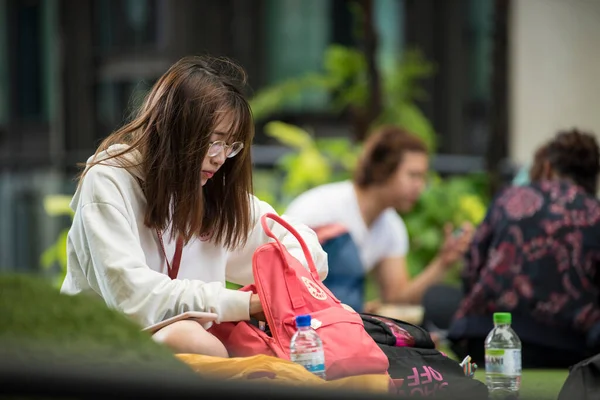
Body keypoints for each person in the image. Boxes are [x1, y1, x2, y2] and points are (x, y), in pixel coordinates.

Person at [60, 55, 328, 357]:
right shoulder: (109, 181)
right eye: (215, 141)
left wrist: (278, 289)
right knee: (192, 339)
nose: (221, 158)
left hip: (185, 356)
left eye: (231, 146)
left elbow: (307, 250)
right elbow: (133, 298)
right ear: (175, 129)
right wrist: (248, 305)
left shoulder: (213, 193)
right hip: (96, 353)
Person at [448, 129, 600, 368]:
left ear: (547, 167)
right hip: (570, 347)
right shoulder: (594, 211)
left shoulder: (510, 197)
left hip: (488, 337)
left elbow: (472, 268)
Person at [284, 125, 473, 314]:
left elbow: (396, 297)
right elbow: (281, 278)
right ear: (383, 169)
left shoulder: (391, 226)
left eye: (423, 177)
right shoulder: (320, 208)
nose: (420, 186)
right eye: (413, 175)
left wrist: (443, 262)